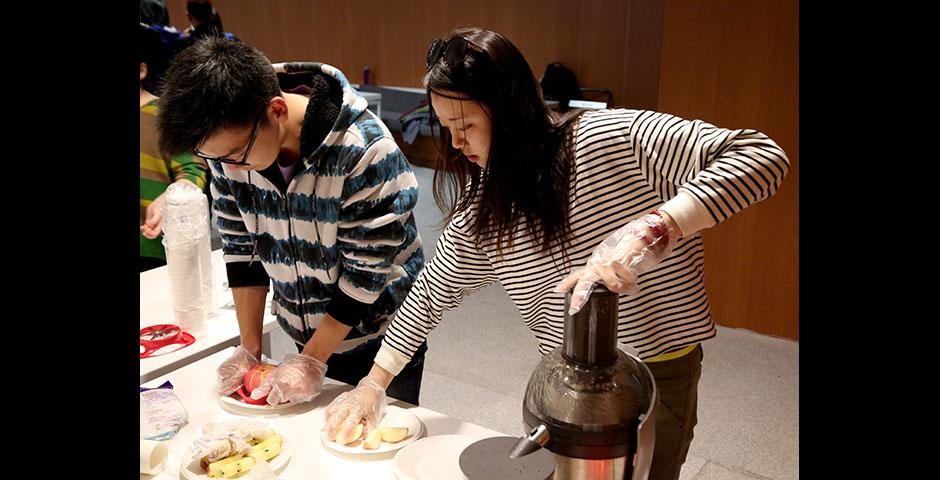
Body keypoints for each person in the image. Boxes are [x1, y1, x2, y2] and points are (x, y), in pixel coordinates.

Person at [322, 27, 789, 480]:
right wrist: (373, 384)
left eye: (465, 126)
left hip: (656, 369)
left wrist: (655, 229)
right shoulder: (486, 207)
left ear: (509, 110)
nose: (457, 144)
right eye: (448, 129)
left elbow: (761, 155)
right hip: (565, 382)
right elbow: (431, 294)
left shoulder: (610, 138)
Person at [156, 37, 426, 407]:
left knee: (371, 442)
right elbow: (241, 249)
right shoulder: (230, 149)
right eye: (216, 159)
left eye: (236, 155)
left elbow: (365, 275)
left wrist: (312, 359)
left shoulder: (363, 149)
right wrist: (250, 349)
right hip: (308, 327)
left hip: (383, 335)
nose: (230, 169)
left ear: (277, 110)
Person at [139, 24, 209, 272]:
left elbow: (194, 170)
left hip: (152, 248)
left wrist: (168, 198)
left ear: (142, 70)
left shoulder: (161, 114)